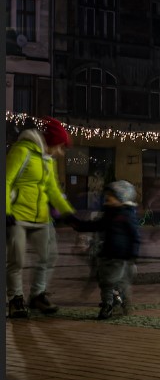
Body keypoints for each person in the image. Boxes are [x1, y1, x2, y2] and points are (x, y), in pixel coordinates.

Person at [6, 116, 78, 318]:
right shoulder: (22, 151)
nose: (61, 152)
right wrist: (6, 211)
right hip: (18, 216)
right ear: (52, 142)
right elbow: (6, 180)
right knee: (16, 260)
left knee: (49, 256)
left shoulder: (47, 160)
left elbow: (53, 190)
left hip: (41, 217)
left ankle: (37, 295)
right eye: (60, 147)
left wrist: (68, 214)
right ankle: (16, 300)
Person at [72, 180, 141, 319]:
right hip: (106, 253)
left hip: (121, 256)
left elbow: (135, 236)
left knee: (116, 282)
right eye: (108, 195)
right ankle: (108, 304)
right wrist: (78, 224)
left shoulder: (127, 215)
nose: (107, 198)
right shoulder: (109, 214)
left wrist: (133, 253)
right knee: (105, 282)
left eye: (111, 196)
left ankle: (120, 302)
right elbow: (96, 225)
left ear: (122, 198)